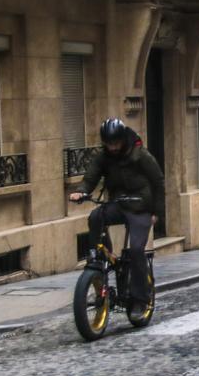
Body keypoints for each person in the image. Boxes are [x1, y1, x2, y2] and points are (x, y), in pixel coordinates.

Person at [69, 118, 164, 317]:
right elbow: (91, 176)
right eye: (108, 143)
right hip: (119, 203)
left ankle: (140, 300)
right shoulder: (104, 156)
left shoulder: (140, 155)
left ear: (122, 139)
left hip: (140, 206)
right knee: (96, 216)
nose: (112, 147)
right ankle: (99, 257)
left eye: (115, 143)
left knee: (137, 249)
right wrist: (82, 191)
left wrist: (156, 212)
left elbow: (158, 181)